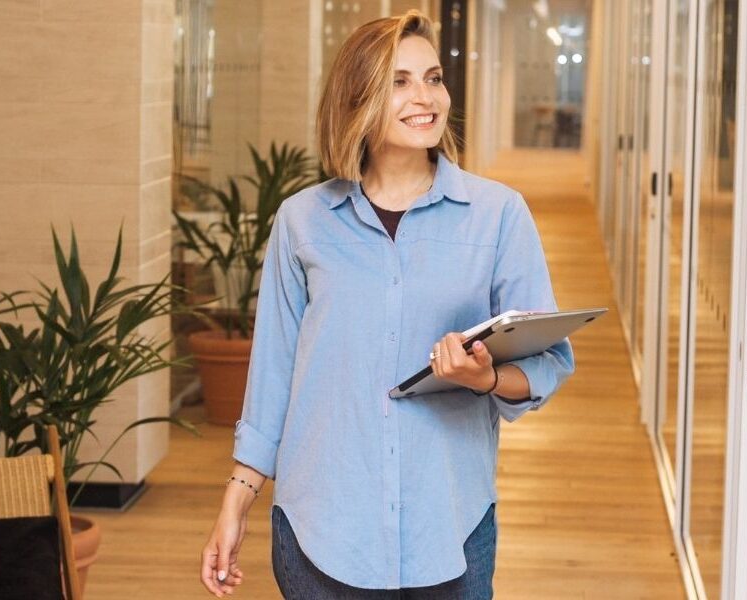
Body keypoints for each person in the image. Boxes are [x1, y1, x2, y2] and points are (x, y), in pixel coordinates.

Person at [200, 10, 574, 599]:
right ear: (358, 97)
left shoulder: (499, 215)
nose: (425, 97)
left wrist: (486, 377)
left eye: (433, 77)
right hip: (319, 528)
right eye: (399, 81)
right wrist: (236, 500)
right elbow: (272, 375)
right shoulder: (302, 221)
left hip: (449, 528)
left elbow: (550, 362)